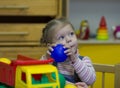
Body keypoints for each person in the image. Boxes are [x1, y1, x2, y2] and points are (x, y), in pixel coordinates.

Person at [40, 17, 96, 88]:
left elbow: (91, 80)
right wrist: (47, 59)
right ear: (51, 46)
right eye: (61, 38)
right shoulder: (50, 62)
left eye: (71, 34)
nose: (69, 39)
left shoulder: (84, 60)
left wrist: (75, 60)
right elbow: (38, 76)